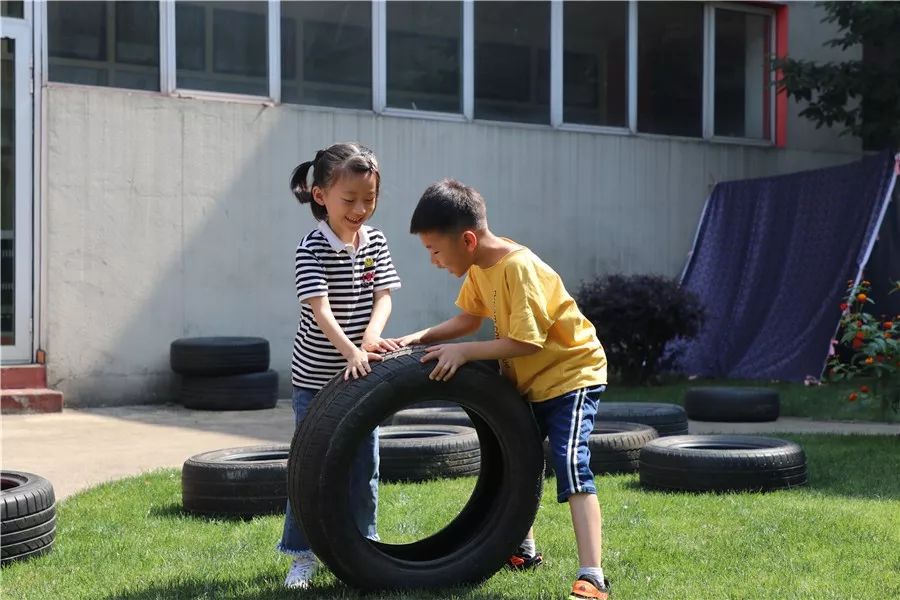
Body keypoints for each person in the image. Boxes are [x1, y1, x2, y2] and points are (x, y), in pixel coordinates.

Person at [393, 179, 611, 600]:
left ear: (468, 239)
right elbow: (467, 320)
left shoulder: (517, 267)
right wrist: (413, 339)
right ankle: (524, 550)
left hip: (571, 375)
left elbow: (528, 341)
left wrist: (467, 353)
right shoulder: (480, 265)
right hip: (529, 379)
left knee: (569, 463)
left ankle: (593, 576)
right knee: (516, 460)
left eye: (435, 250)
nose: (434, 261)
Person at [278, 142, 401, 589]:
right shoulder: (311, 247)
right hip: (316, 379)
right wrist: (350, 349)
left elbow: (383, 294)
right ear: (320, 196)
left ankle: (365, 545)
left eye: (369, 200)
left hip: (362, 375)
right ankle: (302, 555)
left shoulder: (376, 242)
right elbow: (320, 309)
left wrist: (369, 338)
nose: (360, 209)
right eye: (349, 200)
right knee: (310, 469)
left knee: (363, 465)